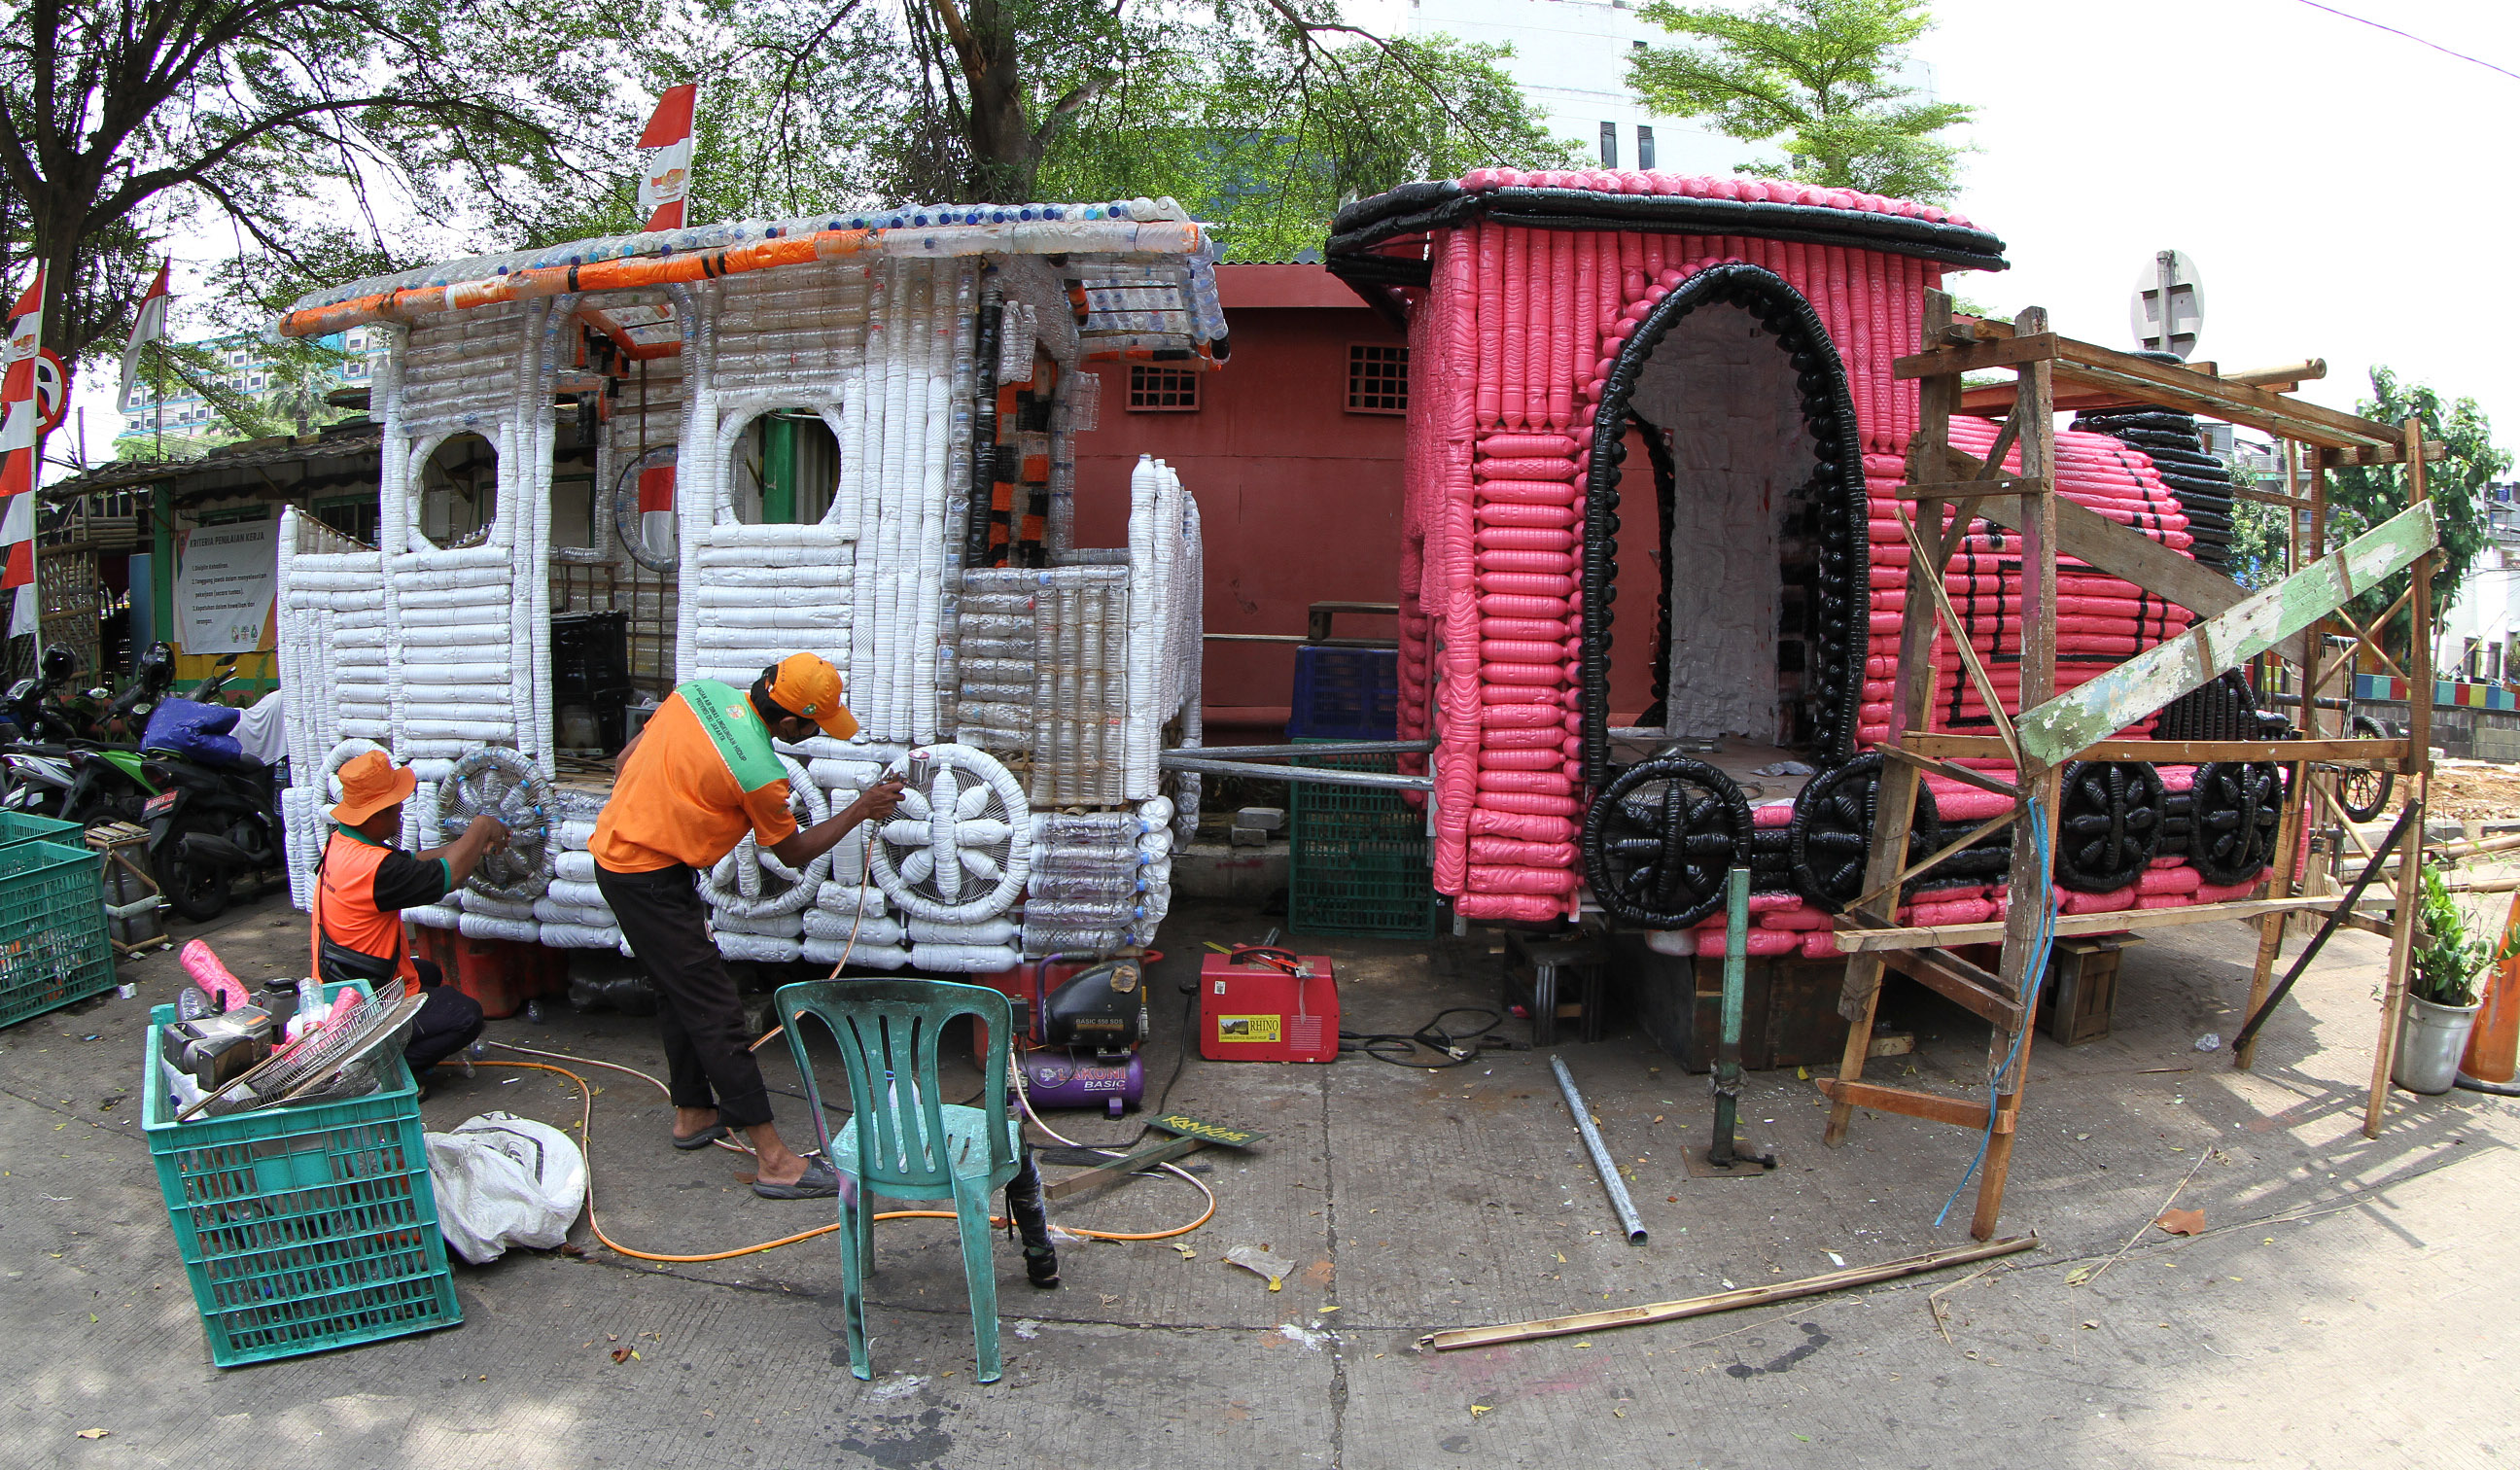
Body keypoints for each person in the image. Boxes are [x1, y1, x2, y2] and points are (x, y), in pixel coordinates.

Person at [592, 654, 905, 1199]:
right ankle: (775, 1161)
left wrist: (664, 811)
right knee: (715, 1011)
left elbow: (625, 761)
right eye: (812, 727)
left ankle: (692, 1112)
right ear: (789, 724)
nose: (810, 736)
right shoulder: (761, 774)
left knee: (677, 990)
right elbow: (793, 852)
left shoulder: (699, 694)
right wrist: (861, 810)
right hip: (648, 879)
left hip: (619, 859)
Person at [312, 749, 511, 1096]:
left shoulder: (343, 844)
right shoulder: (375, 869)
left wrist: (466, 846)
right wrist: (480, 827)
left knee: (429, 974)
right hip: (361, 1006)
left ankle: (385, 1050)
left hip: (340, 981)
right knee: (466, 1016)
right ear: (375, 815)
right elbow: (448, 877)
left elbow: (414, 863)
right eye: (395, 805)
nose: (402, 811)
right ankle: (382, 1072)